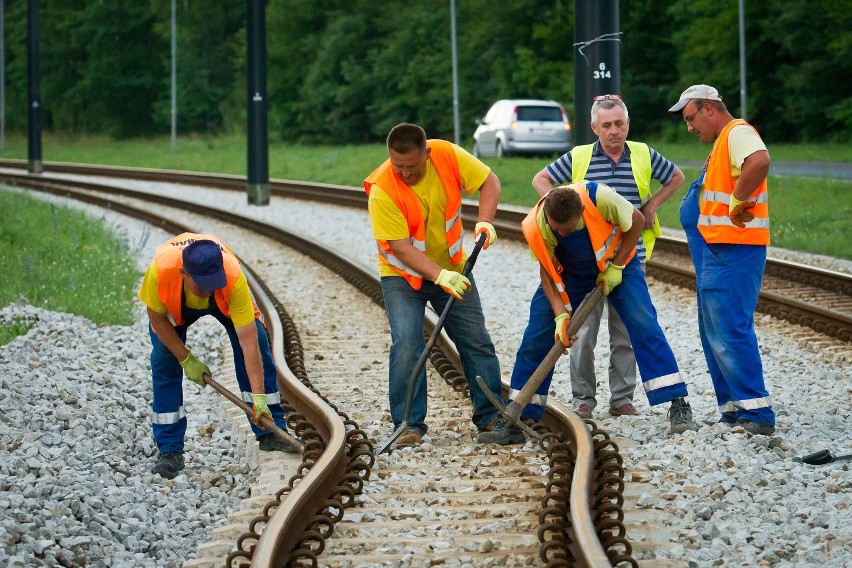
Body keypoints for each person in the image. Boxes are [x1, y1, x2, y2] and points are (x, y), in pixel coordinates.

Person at [484, 182, 697, 442]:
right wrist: (561, 315)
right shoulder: (534, 224)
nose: (562, 232)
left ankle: (677, 403)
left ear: (582, 211)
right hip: (569, 273)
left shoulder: (602, 198)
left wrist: (616, 267)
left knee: (644, 324)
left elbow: (638, 221)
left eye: (568, 228)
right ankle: (517, 415)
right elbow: (547, 272)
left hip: (617, 266)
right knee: (536, 336)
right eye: (557, 228)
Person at [364, 122, 521, 447]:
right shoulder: (383, 189)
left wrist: (485, 221)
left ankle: (492, 417)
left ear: (427, 154)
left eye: (411, 166)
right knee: (407, 343)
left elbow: (489, 181)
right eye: (398, 166)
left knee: (475, 339)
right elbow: (400, 247)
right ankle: (408, 424)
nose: (404, 173)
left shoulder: (447, 156)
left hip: (452, 267)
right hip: (403, 277)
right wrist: (439, 276)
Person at [531, 94, 685, 420]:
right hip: (585, 260)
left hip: (629, 257)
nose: (614, 131)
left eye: (619, 124)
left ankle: (622, 400)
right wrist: (556, 204)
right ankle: (583, 401)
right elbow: (540, 178)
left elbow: (676, 176)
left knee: (627, 332)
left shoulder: (642, 153)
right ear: (594, 128)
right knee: (584, 332)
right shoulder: (579, 156)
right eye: (607, 125)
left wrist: (653, 205)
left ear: (627, 123)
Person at [139, 233, 297, 479]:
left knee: (260, 339)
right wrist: (186, 358)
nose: (209, 290)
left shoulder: (232, 278)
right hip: (174, 305)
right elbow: (157, 320)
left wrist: (259, 398)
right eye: (202, 285)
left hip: (226, 304)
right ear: (184, 274)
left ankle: (270, 431)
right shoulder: (160, 272)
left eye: (214, 282)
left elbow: (249, 342)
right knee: (163, 360)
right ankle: (169, 450)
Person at [668, 84, 775, 435]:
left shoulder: (736, 132)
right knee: (715, 331)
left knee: (729, 328)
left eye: (690, 118)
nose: (689, 127)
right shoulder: (721, 143)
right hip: (718, 252)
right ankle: (733, 409)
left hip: (733, 250)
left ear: (708, 108)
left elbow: (759, 161)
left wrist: (740, 197)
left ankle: (756, 413)